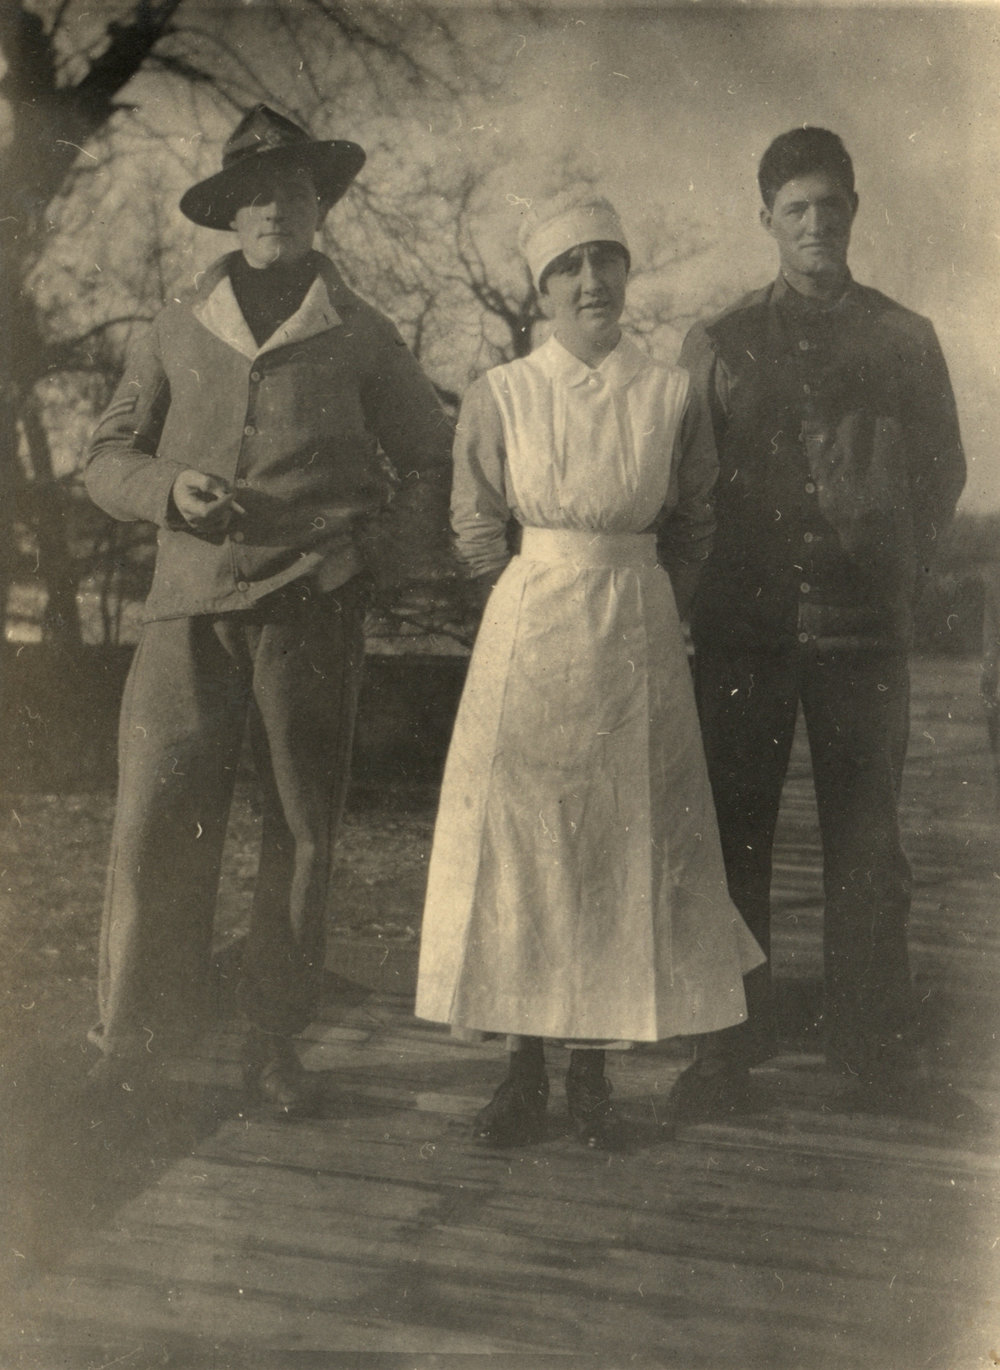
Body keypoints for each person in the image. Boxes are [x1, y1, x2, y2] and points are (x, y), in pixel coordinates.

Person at [84, 105, 451, 1115]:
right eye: (251, 193)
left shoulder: (363, 333)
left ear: (318, 206)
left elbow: (429, 460)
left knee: (300, 827)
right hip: (184, 611)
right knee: (157, 816)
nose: (270, 208)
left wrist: (365, 551)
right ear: (228, 214)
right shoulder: (172, 324)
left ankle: (272, 1039)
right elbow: (105, 458)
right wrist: (168, 488)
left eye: (290, 189)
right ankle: (132, 1039)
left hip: (310, 613)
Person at [414, 192, 763, 1149]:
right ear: (543, 289)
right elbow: (476, 518)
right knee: (525, 848)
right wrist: (521, 602)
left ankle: (593, 1073)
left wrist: (659, 606)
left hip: (636, 631)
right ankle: (521, 1070)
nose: (592, 282)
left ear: (625, 275)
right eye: (570, 267)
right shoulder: (504, 392)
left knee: (621, 845)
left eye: (606, 261)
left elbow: (694, 522)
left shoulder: (669, 394)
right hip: (530, 631)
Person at [670, 128, 966, 1116]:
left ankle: (872, 1045)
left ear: (853, 210)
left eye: (829, 205)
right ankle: (722, 1045)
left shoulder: (903, 337)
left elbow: (942, 473)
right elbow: (686, 479)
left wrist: (895, 571)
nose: (814, 224)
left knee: (869, 841)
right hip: (743, 630)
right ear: (766, 220)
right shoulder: (716, 341)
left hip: (860, 631)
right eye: (793, 208)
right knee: (731, 838)